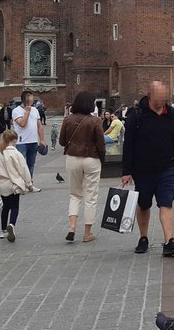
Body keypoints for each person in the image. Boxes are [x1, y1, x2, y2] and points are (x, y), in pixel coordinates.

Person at [121, 81, 174, 257]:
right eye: (159, 96)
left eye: (164, 96)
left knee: (166, 202)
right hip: (143, 169)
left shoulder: (171, 113)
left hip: (167, 167)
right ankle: (143, 238)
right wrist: (126, 171)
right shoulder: (136, 115)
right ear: (150, 95)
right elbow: (129, 145)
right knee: (144, 204)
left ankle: (169, 241)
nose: (162, 100)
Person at [60, 91, 106, 243]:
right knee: (91, 197)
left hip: (73, 158)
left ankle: (72, 227)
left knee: (75, 195)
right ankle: (87, 233)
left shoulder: (68, 119)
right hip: (91, 159)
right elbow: (100, 142)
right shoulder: (95, 121)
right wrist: (102, 157)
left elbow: (61, 141)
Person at [0, 129, 33, 243]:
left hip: (2, 185)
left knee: (5, 207)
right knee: (15, 206)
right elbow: (24, 170)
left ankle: (3, 230)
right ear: (15, 140)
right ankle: (11, 224)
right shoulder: (16, 154)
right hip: (14, 184)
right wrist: (29, 184)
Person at [11, 91, 45, 189]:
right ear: (25, 100)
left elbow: (39, 126)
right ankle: (20, 184)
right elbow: (22, 123)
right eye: (30, 99)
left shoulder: (35, 110)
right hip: (21, 142)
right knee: (20, 165)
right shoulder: (16, 111)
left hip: (33, 141)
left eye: (32, 98)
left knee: (31, 164)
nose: (32, 101)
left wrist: (42, 139)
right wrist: (27, 112)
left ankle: (29, 184)